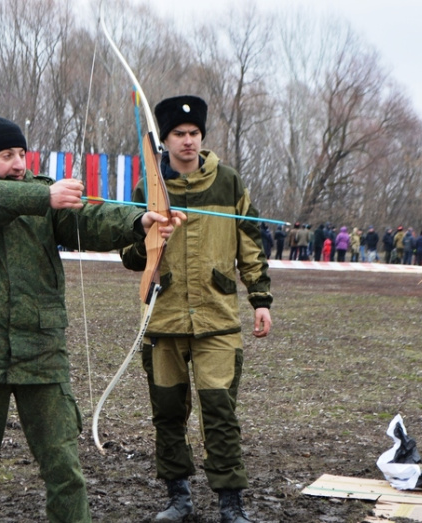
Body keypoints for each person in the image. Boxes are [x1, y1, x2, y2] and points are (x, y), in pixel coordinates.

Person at [0, 115, 183, 523]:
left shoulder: (42, 195)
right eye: (5, 155)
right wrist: (43, 197)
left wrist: (139, 222)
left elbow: (90, 221)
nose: (17, 163)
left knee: (65, 473)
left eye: (21, 154)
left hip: (41, 353)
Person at [119, 95, 272, 523]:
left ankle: (230, 505)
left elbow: (251, 244)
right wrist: (151, 233)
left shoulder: (228, 182)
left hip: (217, 321)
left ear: (201, 137)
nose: (187, 141)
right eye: (178, 135)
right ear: (164, 141)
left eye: (194, 134)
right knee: (168, 414)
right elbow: (130, 256)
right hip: (163, 320)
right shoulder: (147, 189)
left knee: (220, 413)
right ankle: (179, 499)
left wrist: (260, 300)